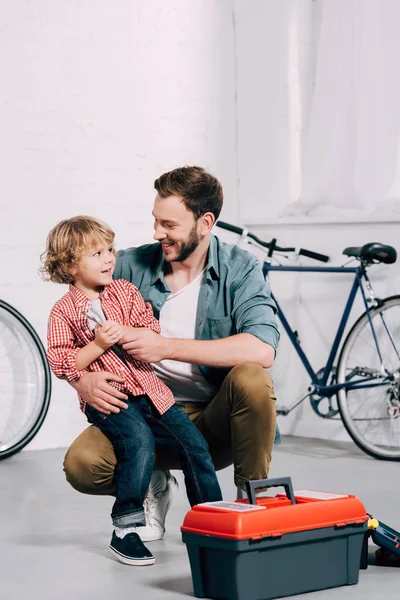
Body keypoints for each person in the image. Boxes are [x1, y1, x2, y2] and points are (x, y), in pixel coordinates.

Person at [63, 165, 280, 543]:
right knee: (82, 465)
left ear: (205, 222)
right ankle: (151, 481)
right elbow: (69, 329)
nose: (157, 232)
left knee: (253, 378)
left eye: (170, 224)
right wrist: (83, 380)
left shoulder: (239, 268)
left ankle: (251, 507)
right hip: (145, 416)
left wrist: (166, 347)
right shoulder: (127, 266)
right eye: (155, 221)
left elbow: (262, 348)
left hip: (215, 424)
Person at [41, 216, 223, 566]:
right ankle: (126, 529)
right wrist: (97, 345)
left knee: (194, 444)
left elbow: (149, 325)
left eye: (109, 249)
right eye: (96, 254)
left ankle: (210, 520)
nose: (109, 258)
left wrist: (127, 331)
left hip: (152, 390)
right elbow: (63, 362)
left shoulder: (124, 291)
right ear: (69, 265)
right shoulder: (63, 311)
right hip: (114, 399)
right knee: (138, 442)